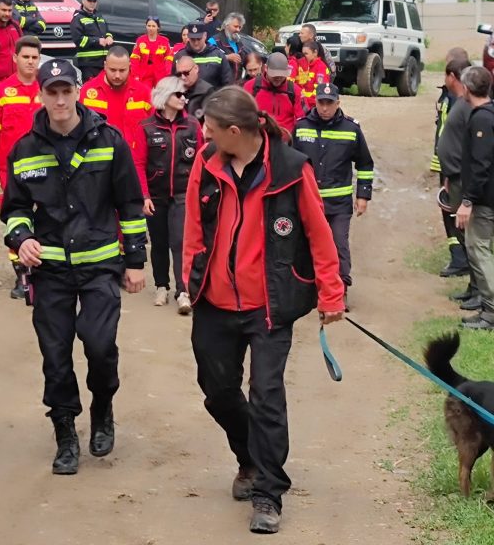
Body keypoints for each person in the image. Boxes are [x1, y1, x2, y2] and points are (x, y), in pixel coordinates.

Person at [183, 85, 345, 535]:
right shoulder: (207, 163)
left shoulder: (292, 170)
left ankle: (269, 492)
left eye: (211, 129)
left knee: (267, 395)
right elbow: (194, 227)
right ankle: (249, 457)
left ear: (234, 131)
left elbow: (318, 232)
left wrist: (331, 294)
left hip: (268, 306)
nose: (205, 135)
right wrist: (189, 279)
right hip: (214, 302)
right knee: (216, 391)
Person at [1, 58, 147, 476]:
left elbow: (130, 205)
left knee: (100, 347)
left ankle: (103, 406)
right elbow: (14, 208)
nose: (60, 99)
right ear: (41, 94)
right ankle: (65, 431)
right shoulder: (26, 147)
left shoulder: (110, 140)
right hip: (50, 270)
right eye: (53, 91)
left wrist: (135, 261)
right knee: (56, 355)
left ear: (78, 91)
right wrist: (22, 238)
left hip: (100, 264)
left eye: (67, 90)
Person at [293, 83, 374, 308]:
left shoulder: (351, 129)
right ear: (315, 102)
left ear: (338, 103)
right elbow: (290, 161)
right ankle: (308, 291)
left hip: (338, 204)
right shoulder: (300, 127)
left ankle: (340, 291)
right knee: (305, 246)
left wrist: (363, 196)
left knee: (338, 245)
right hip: (308, 202)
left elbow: (365, 163)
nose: (325, 108)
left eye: (330, 103)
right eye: (321, 102)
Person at [132, 76, 202, 313]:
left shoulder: (192, 125)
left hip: (184, 194)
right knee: (159, 242)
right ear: (165, 97)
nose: (184, 99)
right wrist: (144, 195)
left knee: (180, 242)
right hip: (156, 195)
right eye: (178, 95)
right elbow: (139, 163)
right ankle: (161, 285)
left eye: (184, 94)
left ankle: (183, 290)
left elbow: (202, 160)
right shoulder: (146, 127)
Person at [0, 36, 43, 298]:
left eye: (34, 57)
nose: (30, 62)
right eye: (25, 57)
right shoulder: (2, 92)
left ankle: (43, 274)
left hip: (45, 169)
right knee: (16, 221)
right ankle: (22, 276)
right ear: (15, 58)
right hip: (11, 172)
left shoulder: (47, 89)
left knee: (45, 220)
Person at [436, 57, 477, 310]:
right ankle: (474, 286)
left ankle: (481, 292)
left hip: (464, 179)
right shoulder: (461, 102)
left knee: (470, 235)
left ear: (454, 77)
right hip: (455, 177)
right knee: (463, 234)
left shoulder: (471, 106)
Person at [455, 66, 494, 331]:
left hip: (484, 200)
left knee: (478, 249)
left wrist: (467, 201)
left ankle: (491, 311)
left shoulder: (481, 119)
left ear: (467, 89)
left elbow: (481, 165)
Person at [432, 47, 472, 281]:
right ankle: (458, 255)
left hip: (456, 170)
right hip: (447, 167)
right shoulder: (450, 99)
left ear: (452, 76)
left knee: (455, 213)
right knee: (448, 210)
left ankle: (461, 258)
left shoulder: (463, 103)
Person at [80, 45, 153, 147]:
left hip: (133, 160)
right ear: (105, 66)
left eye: (122, 70)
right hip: (101, 158)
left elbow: (154, 129)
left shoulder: (144, 93)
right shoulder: (87, 92)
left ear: (129, 66)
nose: (117, 76)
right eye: (113, 70)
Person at [244, 52, 303, 137]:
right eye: (274, 75)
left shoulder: (295, 91)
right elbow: (242, 114)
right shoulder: (251, 87)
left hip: (285, 143)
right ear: (266, 68)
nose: (278, 78)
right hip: (258, 140)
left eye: (281, 75)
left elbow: (302, 119)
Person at [172, 22, 233, 89]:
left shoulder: (218, 55)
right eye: (193, 39)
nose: (196, 42)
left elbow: (227, 83)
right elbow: (173, 82)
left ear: (205, 35)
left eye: (199, 39)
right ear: (188, 37)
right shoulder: (179, 56)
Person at [70, 0, 112, 81]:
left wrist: (109, 37)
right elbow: (78, 40)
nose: (92, 3)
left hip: (103, 63)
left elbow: (107, 31)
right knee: (91, 92)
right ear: (83, 1)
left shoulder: (99, 16)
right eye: (89, 1)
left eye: (94, 1)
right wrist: (97, 41)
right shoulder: (78, 18)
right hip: (88, 64)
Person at [130, 16, 173, 88]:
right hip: (144, 74)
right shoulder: (140, 40)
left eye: (153, 26)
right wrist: (135, 75)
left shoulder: (164, 41)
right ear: (146, 26)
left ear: (158, 27)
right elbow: (134, 59)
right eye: (149, 26)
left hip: (160, 74)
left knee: (161, 94)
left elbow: (169, 59)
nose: (151, 28)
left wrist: (168, 74)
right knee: (145, 93)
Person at [292, 41, 330, 111]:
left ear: (315, 53)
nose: (304, 56)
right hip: (300, 104)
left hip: (312, 107)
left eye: (306, 54)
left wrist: (306, 102)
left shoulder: (321, 67)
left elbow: (320, 91)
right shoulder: (301, 64)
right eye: (303, 53)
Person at [175, 56, 213, 123]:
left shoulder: (207, 92)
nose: (183, 77)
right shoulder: (174, 91)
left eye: (186, 73)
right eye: (179, 74)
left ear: (196, 69)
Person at [211, 12, 246, 82]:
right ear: (226, 25)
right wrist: (226, 57)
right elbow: (207, 58)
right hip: (219, 85)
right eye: (235, 26)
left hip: (236, 84)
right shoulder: (214, 40)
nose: (238, 30)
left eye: (240, 27)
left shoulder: (239, 42)